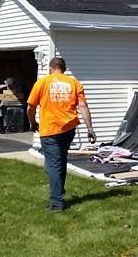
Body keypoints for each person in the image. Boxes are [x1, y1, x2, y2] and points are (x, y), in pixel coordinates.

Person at [27, 57, 95, 212]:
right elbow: (83, 106)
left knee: (53, 164)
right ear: (64, 68)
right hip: (68, 129)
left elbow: (30, 107)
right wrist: (90, 128)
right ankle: (60, 192)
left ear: (51, 68)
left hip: (50, 130)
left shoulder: (42, 82)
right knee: (60, 160)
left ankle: (56, 204)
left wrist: (32, 122)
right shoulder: (74, 83)